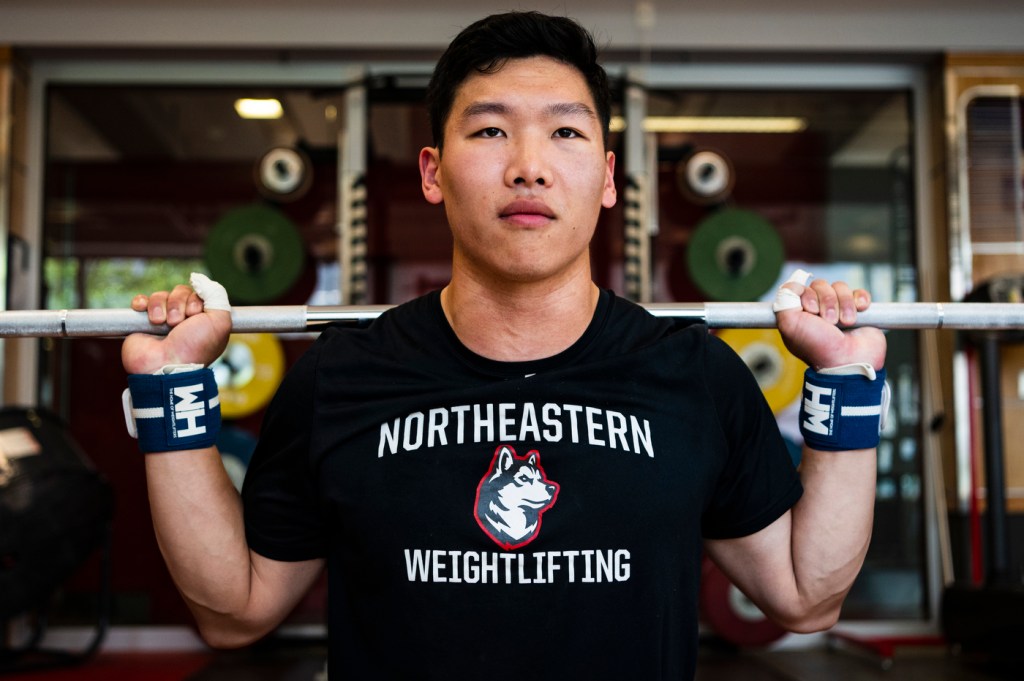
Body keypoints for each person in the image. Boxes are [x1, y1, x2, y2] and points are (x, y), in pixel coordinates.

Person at [120, 11, 887, 680]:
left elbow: (805, 593)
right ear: (433, 172)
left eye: (565, 131)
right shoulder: (341, 378)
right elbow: (235, 612)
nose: (528, 165)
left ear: (609, 176)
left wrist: (847, 384)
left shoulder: (693, 375)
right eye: (489, 130)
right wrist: (171, 395)